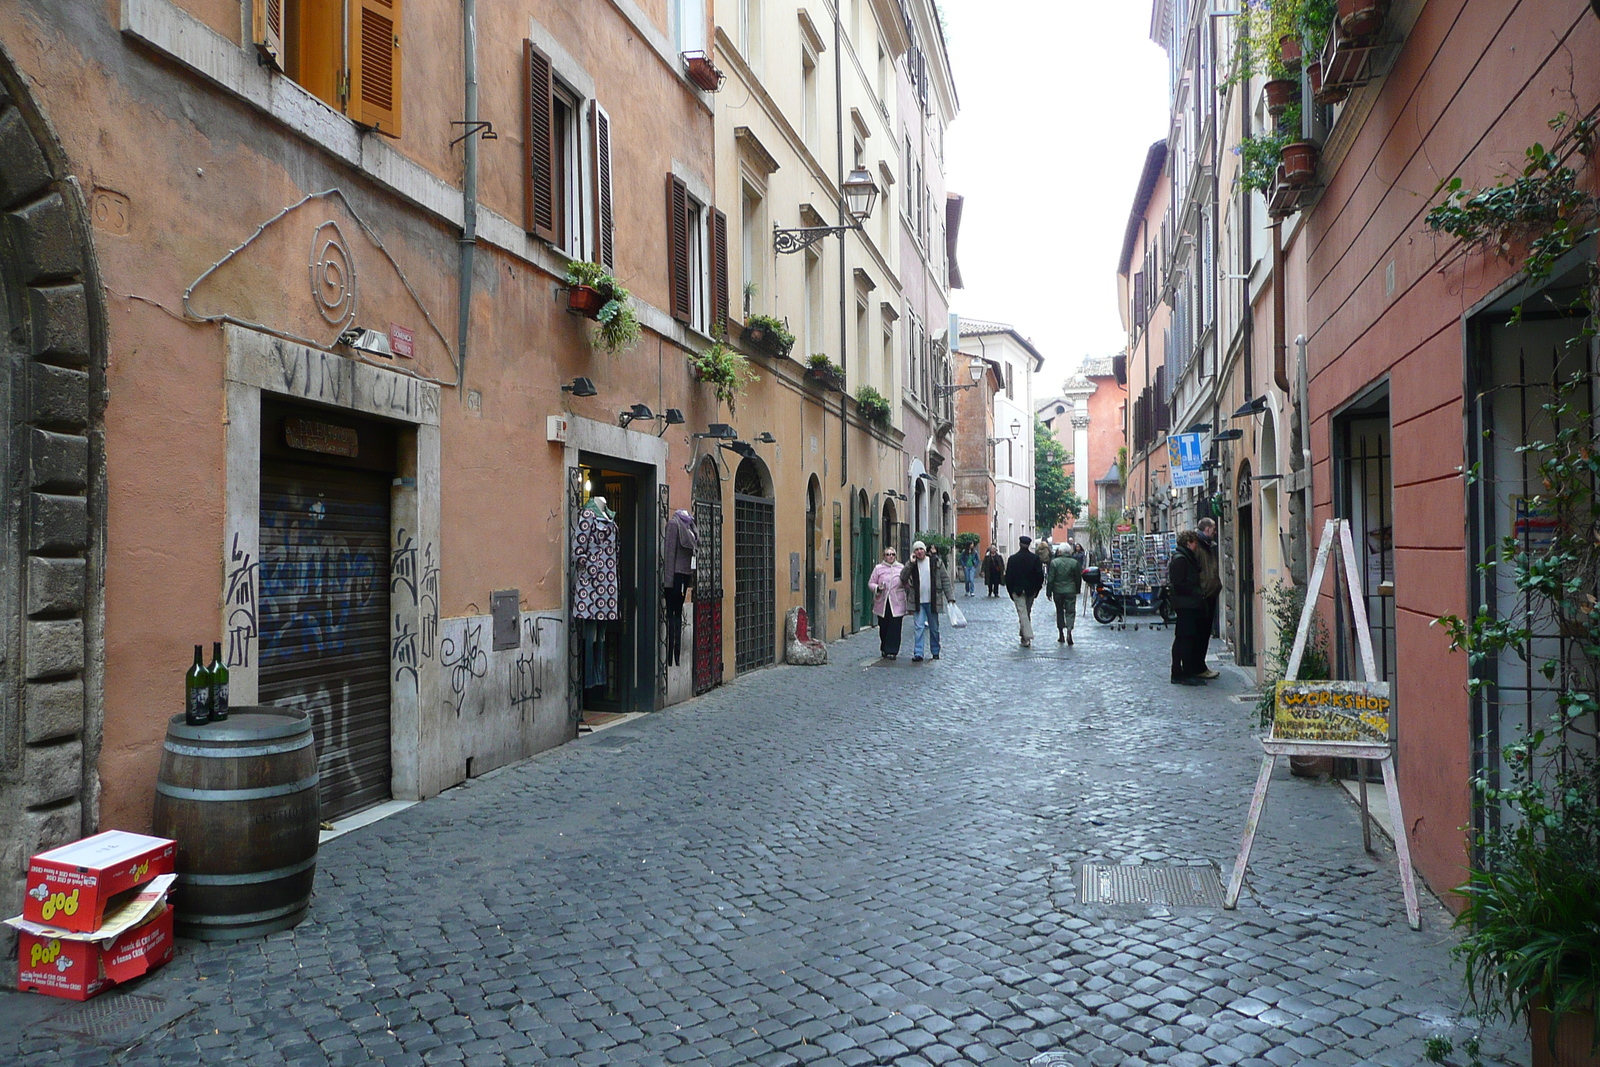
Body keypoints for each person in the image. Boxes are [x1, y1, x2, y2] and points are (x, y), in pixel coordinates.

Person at [899, 540, 952, 662]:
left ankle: (935, 651)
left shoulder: (936, 562)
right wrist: (910, 564)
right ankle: (918, 653)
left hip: (933, 600)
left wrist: (950, 598)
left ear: (925, 550)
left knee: (934, 628)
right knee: (919, 628)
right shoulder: (912, 564)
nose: (919, 552)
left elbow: (945, 580)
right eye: (916, 550)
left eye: (921, 549)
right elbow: (902, 577)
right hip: (918, 602)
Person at [1168, 530, 1207, 685]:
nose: (1196, 545)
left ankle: (1179, 672)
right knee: (1185, 639)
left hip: (1187, 603)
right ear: (1188, 543)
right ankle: (1184, 673)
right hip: (1186, 604)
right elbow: (1178, 584)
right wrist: (1195, 592)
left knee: (1182, 638)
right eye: (1194, 542)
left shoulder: (1185, 558)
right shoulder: (1181, 559)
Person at [1194, 518, 1223, 680]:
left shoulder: (1206, 545)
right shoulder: (1199, 547)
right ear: (1206, 530)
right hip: (1204, 596)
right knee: (1201, 633)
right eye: (1213, 529)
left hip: (1208, 594)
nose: (1215, 532)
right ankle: (1199, 667)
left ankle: (1199, 666)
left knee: (1203, 633)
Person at [1004, 535, 1046, 648]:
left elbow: (1008, 577)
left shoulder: (1012, 559)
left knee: (1023, 613)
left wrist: (1010, 591)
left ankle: (1025, 636)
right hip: (1030, 590)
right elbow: (1040, 576)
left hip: (1017, 590)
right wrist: (1037, 589)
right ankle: (1026, 636)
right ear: (1028, 545)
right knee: (1026, 612)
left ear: (1020, 544)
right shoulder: (1035, 559)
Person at [869, 546, 907, 659]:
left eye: (892, 554)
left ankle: (893, 650)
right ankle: (884, 647)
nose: (890, 556)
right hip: (883, 601)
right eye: (888, 554)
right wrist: (877, 588)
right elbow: (871, 583)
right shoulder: (878, 568)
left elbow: (906, 583)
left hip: (897, 602)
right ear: (884, 556)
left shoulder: (901, 568)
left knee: (895, 626)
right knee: (884, 626)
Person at [1047, 542, 1084, 646]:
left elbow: (1051, 579)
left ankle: (1061, 634)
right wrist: (1077, 589)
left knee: (1059, 611)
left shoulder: (1054, 562)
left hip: (1058, 591)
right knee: (1070, 611)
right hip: (1070, 590)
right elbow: (1078, 578)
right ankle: (1069, 630)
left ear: (1060, 551)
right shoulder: (1074, 563)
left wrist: (1049, 592)